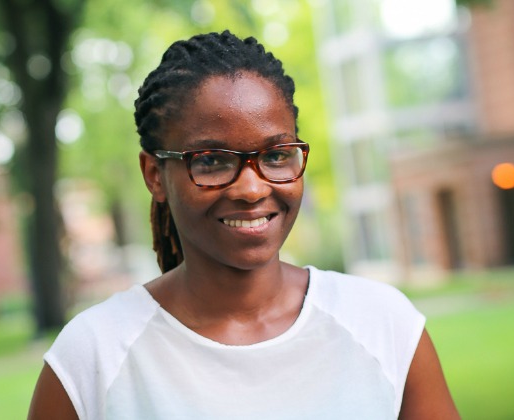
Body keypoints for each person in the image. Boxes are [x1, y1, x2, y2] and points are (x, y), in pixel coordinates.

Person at [28, 30, 459, 419]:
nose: (252, 189)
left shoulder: (381, 324)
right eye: (212, 160)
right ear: (155, 175)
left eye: (276, 155)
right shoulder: (95, 355)